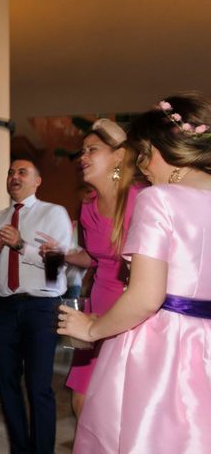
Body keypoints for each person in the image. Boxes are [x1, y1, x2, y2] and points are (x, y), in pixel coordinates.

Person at [59, 92, 211, 453]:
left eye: (142, 155)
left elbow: (145, 297)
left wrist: (92, 327)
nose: (142, 168)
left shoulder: (160, 199)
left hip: (163, 345)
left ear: (159, 150)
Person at [40, 119, 143, 418]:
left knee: (122, 406)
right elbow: (95, 257)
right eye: (81, 151)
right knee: (82, 403)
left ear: (118, 155)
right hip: (95, 308)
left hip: (131, 311)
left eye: (92, 150)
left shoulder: (141, 199)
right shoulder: (87, 207)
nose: (82, 158)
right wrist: (64, 254)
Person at [0, 158, 72, 454]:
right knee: (6, 385)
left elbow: (56, 265)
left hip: (42, 307)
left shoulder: (54, 214)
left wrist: (20, 245)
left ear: (37, 181)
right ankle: (19, 449)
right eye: (10, 172)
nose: (14, 176)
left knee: (39, 386)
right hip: (3, 308)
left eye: (22, 172)